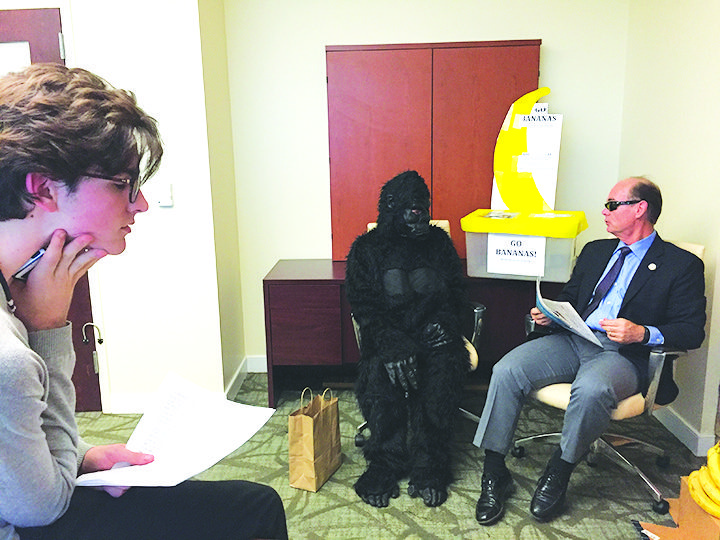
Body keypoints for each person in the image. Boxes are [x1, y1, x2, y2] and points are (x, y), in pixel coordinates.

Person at [0, 64, 288, 540]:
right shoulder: (9, 358)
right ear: (43, 188)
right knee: (253, 510)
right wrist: (47, 329)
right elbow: (41, 507)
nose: (140, 204)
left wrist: (85, 455)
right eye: (122, 183)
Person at [472, 176, 706, 525]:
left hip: (623, 354)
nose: (604, 211)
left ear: (640, 209)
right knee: (507, 370)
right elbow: (571, 296)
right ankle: (494, 472)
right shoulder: (595, 250)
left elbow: (691, 331)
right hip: (574, 338)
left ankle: (560, 470)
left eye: (612, 204)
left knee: (592, 389)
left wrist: (641, 332)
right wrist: (551, 314)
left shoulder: (681, 265)